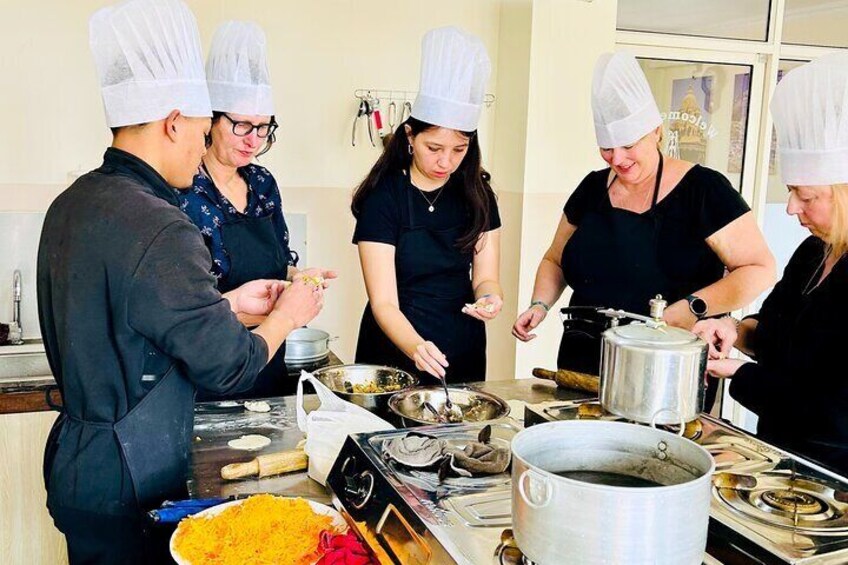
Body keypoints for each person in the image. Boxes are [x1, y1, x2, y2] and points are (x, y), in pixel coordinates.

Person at [36, 1, 324, 562]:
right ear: (173, 123)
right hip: (131, 476)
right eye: (199, 129)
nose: (200, 149)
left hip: (79, 463)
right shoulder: (162, 224)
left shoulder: (72, 204)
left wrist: (229, 305)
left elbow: (134, 323)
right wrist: (288, 313)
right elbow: (230, 364)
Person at [512, 52, 775, 410]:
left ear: (656, 131)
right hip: (582, 360)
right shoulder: (592, 189)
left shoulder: (704, 190)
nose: (617, 159)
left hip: (665, 368)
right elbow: (555, 259)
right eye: (607, 148)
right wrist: (540, 304)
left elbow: (759, 269)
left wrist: (693, 308)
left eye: (628, 145)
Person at [695, 53, 848, 475]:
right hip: (779, 456)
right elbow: (776, 333)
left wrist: (739, 375)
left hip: (834, 476)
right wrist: (732, 329)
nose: (791, 208)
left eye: (806, 195)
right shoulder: (813, 252)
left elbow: (834, 412)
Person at [179, 20, 335, 399]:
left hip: (268, 357)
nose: (254, 140)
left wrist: (302, 280)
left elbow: (280, 263)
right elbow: (181, 307)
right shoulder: (182, 189)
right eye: (241, 126)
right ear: (211, 120)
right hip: (206, 367)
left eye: (264, 128)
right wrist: (284, 311)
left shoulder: (262, 183)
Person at [351, 26, 502, 384]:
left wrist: (490, 298)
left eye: (458, 150)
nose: (446, 162)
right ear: (410, 136)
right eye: (434, 148)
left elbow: (486, 276)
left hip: (460, 348)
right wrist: (416, 347)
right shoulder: (384, 198)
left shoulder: (479, 195)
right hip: (394, 348)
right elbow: (384, 302)